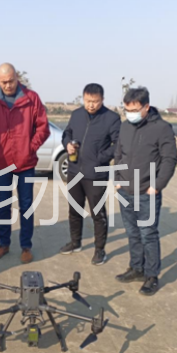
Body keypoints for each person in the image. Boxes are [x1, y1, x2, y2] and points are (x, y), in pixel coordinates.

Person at [0, 63, 50, 264]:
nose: (8, 85)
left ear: (17, 77)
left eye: (11, 81)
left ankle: (26, 246)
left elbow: (43, 128)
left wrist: (30, 147)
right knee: (3, 205)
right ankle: (4, 243)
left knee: (26, 206)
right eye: (4, 82)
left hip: (25, 164)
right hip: (2, 164)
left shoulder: (31, 99)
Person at [113, 86, 177, 296]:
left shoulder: (161, 128)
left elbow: (169, 159)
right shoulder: (125, 127)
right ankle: (136, 268)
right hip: (125, 191)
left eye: (134, 110)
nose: (129, 114)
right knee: (132, 233)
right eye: (126, 110)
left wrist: (156, 185)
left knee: (148, 234)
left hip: (146, 192)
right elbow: (119, 154)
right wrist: (117, 180)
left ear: (146, 107)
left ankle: (151, 275)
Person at [60, 83, 120, 265]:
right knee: (74, 210)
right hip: (74, 171)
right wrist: (67, 144)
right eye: (87, 101)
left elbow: (118, 145)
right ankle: (75, 242)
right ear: (83, 98)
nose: (91, 105)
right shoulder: (76, 115)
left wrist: (100, 158)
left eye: (95, 101)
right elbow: (67, 133)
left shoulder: (112, 119)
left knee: (98, 214)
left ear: (102, 100)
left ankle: (100, 250)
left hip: (96, 174)